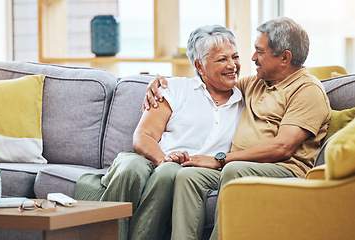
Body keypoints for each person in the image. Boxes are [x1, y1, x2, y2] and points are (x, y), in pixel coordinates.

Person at [144, 17, 331, 240]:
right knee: (188, 176)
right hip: (244, 166)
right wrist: (162, 84)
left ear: (285, 57)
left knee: (235, 170)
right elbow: (211, 79)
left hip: (283, 169)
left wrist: (221, 159)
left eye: (259, 52)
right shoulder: (255, 83)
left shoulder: (307, 91)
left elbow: (283, 147)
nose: (252, 58)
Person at [74, 25, 244, 240]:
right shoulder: (175, 88)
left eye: (235, 56)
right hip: (153, 157)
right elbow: (143, 137)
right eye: (222, 59)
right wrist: (164, 158)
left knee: (169, 173)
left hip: (192, 169)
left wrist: (170, 164)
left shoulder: (247, 98)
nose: (232, 65)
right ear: (199, 66)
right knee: (130, 168)